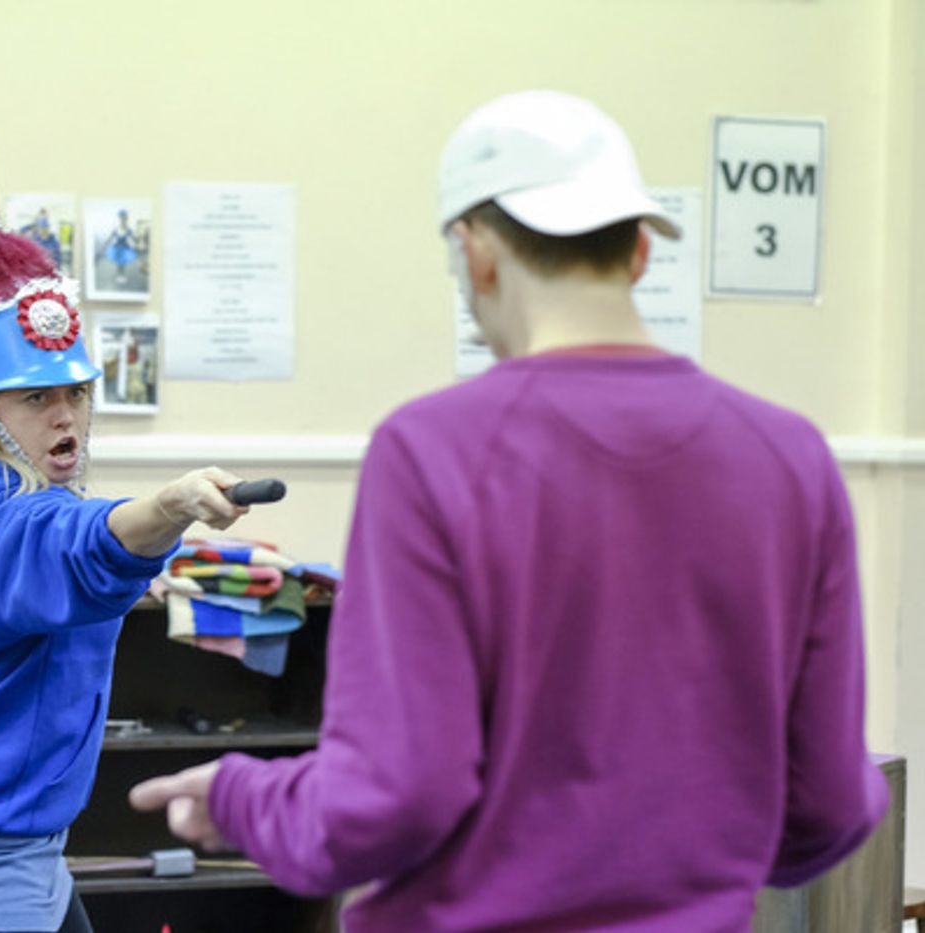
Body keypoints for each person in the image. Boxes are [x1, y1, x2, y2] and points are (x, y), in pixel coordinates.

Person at [129, 90, 888, 932]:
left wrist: (243, 797)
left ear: (475, 253)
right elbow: (827, 803)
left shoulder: (432, 453)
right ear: (639, 250)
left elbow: (392, 799)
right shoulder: (791, 460)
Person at [0, 80, 252, 933]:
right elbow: (81, 544)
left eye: (77, 395)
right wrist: (168, 504)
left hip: (24, 842)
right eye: (37, 400)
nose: (65, 416)